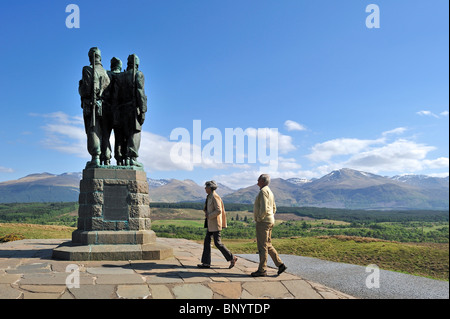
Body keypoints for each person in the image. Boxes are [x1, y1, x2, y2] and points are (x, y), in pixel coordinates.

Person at [78, 47, 111, 167]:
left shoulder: (87, 69)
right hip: (106, 107)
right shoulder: (105, 72)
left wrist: (80, 87)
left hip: (92, 106)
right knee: (105, 133)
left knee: (93, 130)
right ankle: (106, 158)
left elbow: (86, 90)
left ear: (90, 57)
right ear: (100, 57)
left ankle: (96, 157)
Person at [113, 54, 147, 167]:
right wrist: (142, 110)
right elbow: (140, 93)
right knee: (134, 133)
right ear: (137, 64)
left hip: (121, 110)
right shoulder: (138, 74)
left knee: (121, 136)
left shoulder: (120, 76)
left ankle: (121, 158)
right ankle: (132, 158)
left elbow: (115, 95)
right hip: (132, 109)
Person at [251, 174, 287, 277]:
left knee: (262, 246)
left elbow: (264, 208)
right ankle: (280, 265)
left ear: (262, 181)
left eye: (258, 179)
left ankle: (262, 270)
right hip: (270, 220)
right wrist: (270, 216)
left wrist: (259, 218)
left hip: (263, 222)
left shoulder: (263, 191)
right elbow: (274, 208)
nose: (257, 181)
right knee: (268, 244)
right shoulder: (270, 191)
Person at [198, 181, 237, 269]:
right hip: (210, 223)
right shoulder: (209, 196)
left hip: (215, 223)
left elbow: (218, 210)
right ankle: (206, 263)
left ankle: (232, 258)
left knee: (217, 243)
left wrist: (209, 215)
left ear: (210, 188)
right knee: (207, 242)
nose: (205, 188)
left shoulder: (215, 197)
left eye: (206, 187)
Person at [101, 57, 123, 165]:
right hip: (120, 111)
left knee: (105, 135)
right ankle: (120, 159)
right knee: (120, 136)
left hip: (106, 109)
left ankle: (106, 158)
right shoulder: (123, 76)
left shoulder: (105, 74)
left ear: (111, 65)